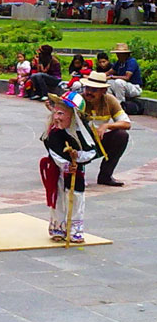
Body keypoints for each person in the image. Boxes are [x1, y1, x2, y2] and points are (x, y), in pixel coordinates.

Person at [41, 91, 101, 243]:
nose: (56, 117)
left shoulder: (83, 132)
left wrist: (77, 158)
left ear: (73, 115)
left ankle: (75, 230)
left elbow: (92, 151)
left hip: (77, 171)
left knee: (76, 198)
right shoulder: (53, 132)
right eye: (55, 113)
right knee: (58, 198)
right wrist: (66, 165)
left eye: (61, 114)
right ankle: (58, 227)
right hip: (57, 170)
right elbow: (54, 152)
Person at [80, 72, 131, 186]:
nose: (89, 92)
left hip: (98, 140)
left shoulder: (110, 101)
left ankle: (105, 176)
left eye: (94, 90)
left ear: (103, 91)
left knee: (121, 135)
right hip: (79, 141)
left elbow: (126, 123)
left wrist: (106, 126)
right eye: (87, 88)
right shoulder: (78, 100)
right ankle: (74, 174)